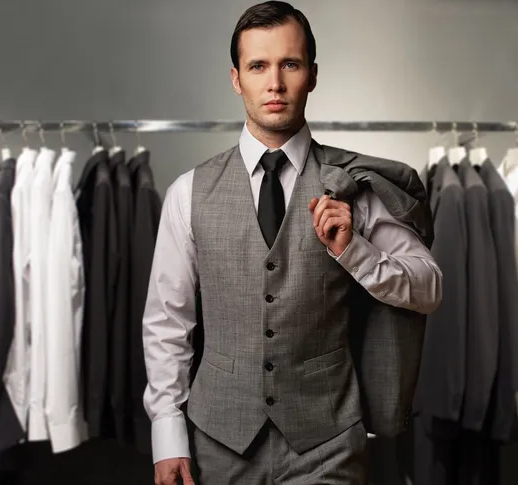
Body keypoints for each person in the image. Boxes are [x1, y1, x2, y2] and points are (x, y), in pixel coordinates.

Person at [142, 2, 443, 484]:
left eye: (291, 64)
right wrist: (167, 432)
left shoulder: (354, 188)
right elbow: (168, 321)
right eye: (258, 66)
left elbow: (429, 287)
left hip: (327, 445)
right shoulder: (188, 193)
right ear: (237, 78)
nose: (275, 83)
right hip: (218, 443)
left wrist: (354, 252)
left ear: (313, 75)